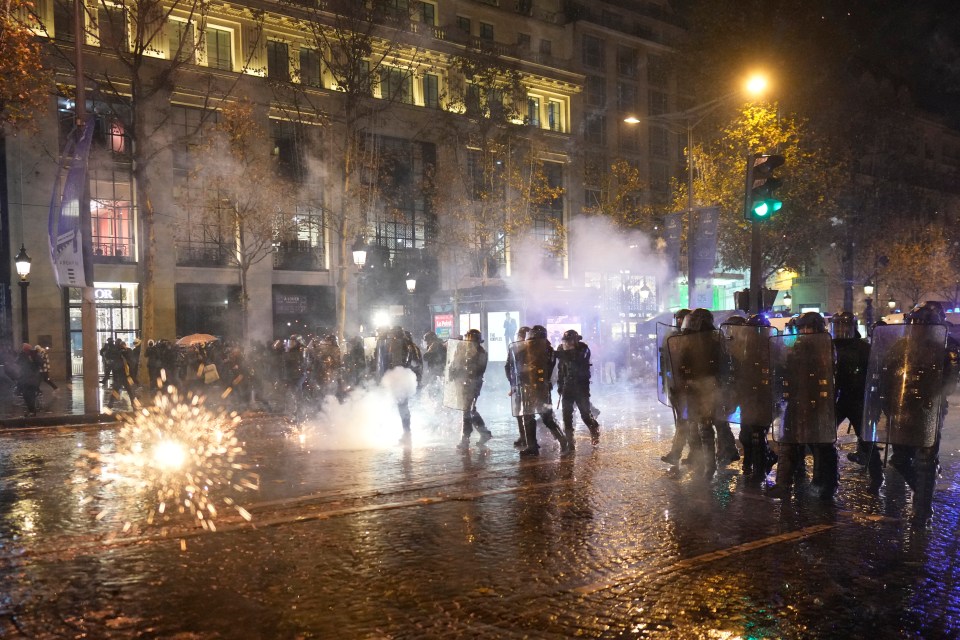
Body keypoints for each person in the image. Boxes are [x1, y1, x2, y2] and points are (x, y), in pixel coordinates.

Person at [865, 301, 960, 522]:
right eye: (914, 324)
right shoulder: (902, 345)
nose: (917, 328)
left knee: (925, 459)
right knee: (899, 458)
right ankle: (922, 492)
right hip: (902, 406)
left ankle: (922, 510)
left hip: (930, 408)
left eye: (922, 324)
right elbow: (888, 372)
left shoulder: (947, 346)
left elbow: (950, 383)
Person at [769, 311, 838, 499]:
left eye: (809, 327)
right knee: (788, 442)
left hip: (819, 402)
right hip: (796, 400)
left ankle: (825, 483)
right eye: (802, 328)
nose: (805, 331)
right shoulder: (795, 347)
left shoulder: (826, 347)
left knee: (821, 445)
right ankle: (783, 484)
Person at [666, 308, 723, 480]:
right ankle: (699, 461)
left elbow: (722, 366)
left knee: (705, 428)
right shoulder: (688, 341)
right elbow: (680, 366)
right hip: (690, 391)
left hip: (707, 389)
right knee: (692, 428)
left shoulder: (714, 340)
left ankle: (710, 467)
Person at [830, 311, 882, 492]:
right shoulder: (829, 346)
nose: (841, 330)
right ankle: (829, 475)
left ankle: (877, 476)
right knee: (825, 438)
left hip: (857, 399)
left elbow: (874, 375)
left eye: (845, 326)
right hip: (836, 399)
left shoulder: (863, 348)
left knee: (866, 439)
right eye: (838, 326)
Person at [509, 325, 569, 456]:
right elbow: (517, 363)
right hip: (528, 387)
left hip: (541, 389)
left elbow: (545, 368)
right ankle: (532, 447)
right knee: (528, 416)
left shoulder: (547, 351)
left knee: (547, 418)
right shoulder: (529, 349)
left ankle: (564, 442)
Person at [446, 329, 492, 450]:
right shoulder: (462, 350)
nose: (470, 342)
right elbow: (455, 362)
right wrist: (452, 372)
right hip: (461, 383)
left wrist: (468, 375)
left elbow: (479, 370)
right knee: (469, 410)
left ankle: (465, 439)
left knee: (467, 410)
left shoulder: (481, 352)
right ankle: (484, 432)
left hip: (473, 384)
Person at [376, 326, 422, 445]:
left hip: (401, 378)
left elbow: (397, 364)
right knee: (403, 406)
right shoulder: (411, 345)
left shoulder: (399, 344)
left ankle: (407, 434)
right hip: (407, 378)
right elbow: (417, 363)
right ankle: (406, 433)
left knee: (402, 407)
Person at [556, 329, 600, 449]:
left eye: (569, 341)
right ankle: (570, 441)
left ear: (575, 341)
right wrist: (560, 385)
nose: (567, 344)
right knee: (566, 415)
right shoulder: (562, 350)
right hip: (567, 386)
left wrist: (556, 353)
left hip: (581, 386)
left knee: (585, 414)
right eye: (566, 341)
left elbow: (575, 358)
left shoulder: (583, 349)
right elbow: (561, 370)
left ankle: (594, 428)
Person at [659, 308, 692, 465]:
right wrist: (667, 383)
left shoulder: (694, 336)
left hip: (693, 385)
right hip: (676, 385)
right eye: (678, 319)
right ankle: (691, 454)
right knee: (684, 420)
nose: (680, 321)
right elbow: (665, 362)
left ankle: (680, 453)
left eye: (682, 318)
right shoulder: (670, 336)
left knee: (686, 421)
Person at [505, 326, 531, 448]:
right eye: (520, 335)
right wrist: (513, 383)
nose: (521, 338)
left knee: (528, 413)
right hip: (518, 384)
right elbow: (507, 366)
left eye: (523, 335)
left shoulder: (531, 349)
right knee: (519, 412)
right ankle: (523, 436)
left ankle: (530, 440)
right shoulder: (514, 348)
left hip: (529, 384)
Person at [16, 343, 41, 416]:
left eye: (25, 349)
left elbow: (40, 363)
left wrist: (32, 360)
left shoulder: (34, 354)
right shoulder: (22, 355)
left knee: (31, 395)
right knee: (25, 395)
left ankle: (32, 411)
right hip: (25, 379)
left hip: (32, 378)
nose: (24, 350)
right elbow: (17, 362)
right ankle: (31, 410)